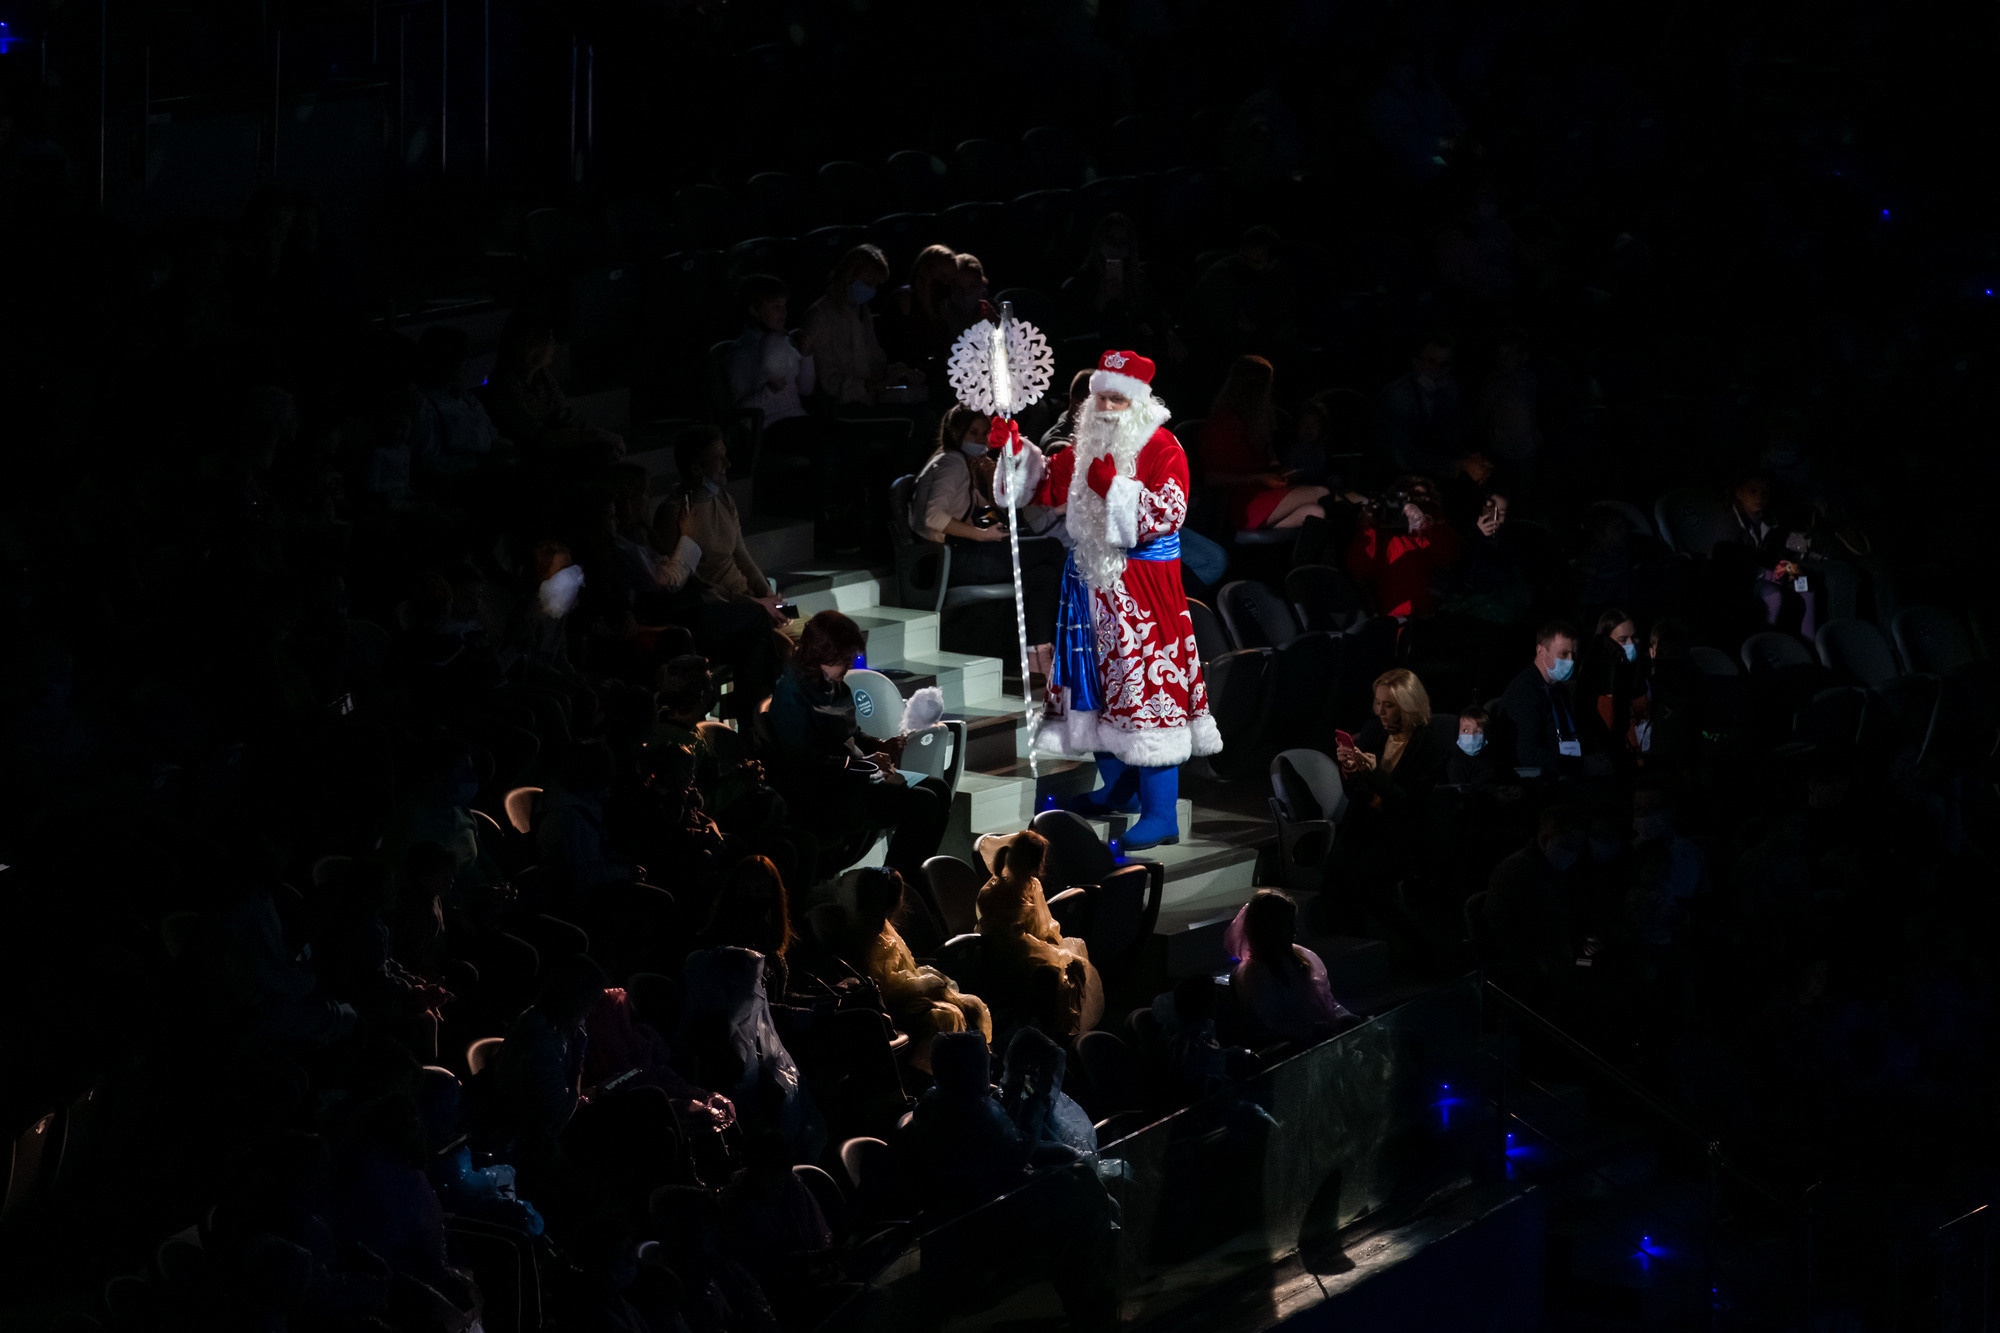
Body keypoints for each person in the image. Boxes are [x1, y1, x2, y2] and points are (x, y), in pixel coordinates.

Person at [1003, 349, 1223, 850]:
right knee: (1097, 689)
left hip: (1144, 590)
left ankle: (1161, 813)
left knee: (1149, 691)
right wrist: (1016, 454)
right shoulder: (1085, 443)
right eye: (1099, 397)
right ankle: (1117, 788)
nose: (1104, 407)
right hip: (1089, 585)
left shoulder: (1164, 446)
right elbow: (1044, 487)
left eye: (1116, 399)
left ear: (1139, 402)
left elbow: (1169, 514)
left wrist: (1115, 489)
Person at [764, 610, 953, 878]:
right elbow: (802, 762)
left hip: (856, 776)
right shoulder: (791, 692)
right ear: (823, 654)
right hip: (826, 792)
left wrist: (880, 745)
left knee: (939, 789)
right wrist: (862, 764)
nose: (849, 666)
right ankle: (891, 883)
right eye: (845, 660)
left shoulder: (835, 685)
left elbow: (851, 733)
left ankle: (913, 882)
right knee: (923, 802)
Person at [907, 405, 1062, 673]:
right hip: (951, 560)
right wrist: (981, 535)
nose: (980, 439)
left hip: (961, 554)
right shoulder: (951, 462)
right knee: (1052, 548)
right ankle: (1071, 638)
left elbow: (987, 512)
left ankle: (1037, 654)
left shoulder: (963, 464)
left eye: (984, 433)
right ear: (955, 433)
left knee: (1045, 575)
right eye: (973, 432)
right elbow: (933, 517)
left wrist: (990, 478)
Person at [840, 865, 991, 1069]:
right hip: (889, 1003)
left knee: (970, 1007)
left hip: (904, 995)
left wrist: (924, 980)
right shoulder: (869, 936)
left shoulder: (884, 927)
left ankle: (971, 1071)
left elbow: (903, 966)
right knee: (946, 1016)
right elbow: (886, 984)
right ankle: (931, 1074)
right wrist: (923, 983)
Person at [1197, 355, 1329, 531]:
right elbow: (1212, 478)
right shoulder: (1224, 422)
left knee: (1315, 513)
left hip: (1261, 492)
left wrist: (1278, 470)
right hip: (1240, 502)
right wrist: (1260, 478)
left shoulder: (1257, 421)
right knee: (1322, 493)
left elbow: (1267, 456)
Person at [486, 311, 624, 461]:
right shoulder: (505, 386)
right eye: (550, 341)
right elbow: (537, 438)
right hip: (527, 457)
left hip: (552, 447)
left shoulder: (542, 377)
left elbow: (565, 416)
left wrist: (599, 436)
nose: (554, 346)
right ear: (531, 345)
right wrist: (594, 435)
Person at [1224, 890, 1348, 1045]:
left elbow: (1325, 998)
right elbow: (1272, 1023)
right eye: (1287, 925)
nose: (1295, 930)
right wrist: (1312, 1031)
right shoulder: (1256, 974)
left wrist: (1343, 1017)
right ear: (1270, 929)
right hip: (1295, 1047)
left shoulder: (1299, 956)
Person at [802, 243, 918, 408]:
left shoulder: (861, 312)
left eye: (875, 285)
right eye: (868, 282)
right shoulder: (820, 316)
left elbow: (875, 358)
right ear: (849, 276)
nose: (872, 290)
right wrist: (870, 385)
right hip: (839, 409)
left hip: (869, 401)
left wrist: (895, 373)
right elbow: (829, 383)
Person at [1346, 476, 1462, 618]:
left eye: (1421, 497)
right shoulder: (1381, 533)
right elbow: (1359, 569)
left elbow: (1450, 557)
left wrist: (1424, 524)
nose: (1412, 503)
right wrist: (1367, 524)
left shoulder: (1438, 529)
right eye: (1406, 498)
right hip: (1391, 616)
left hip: (1430, 614)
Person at [1499, 621, 1585, 771]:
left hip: (1564, 771)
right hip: (1538, 778)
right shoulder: (1524, 691)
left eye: (1574, 654)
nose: (1570, 661)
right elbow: (1528, 754)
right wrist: (1580, 765)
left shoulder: (1560, 690)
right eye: (1563, 654)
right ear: (1541, 651)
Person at [1377, 334, 1464, 478]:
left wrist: (1468, 458)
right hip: (1396, 476)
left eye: (1445, 364)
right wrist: (1456, 465)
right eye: (1431, 362)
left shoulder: (1451, 391)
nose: (1438, 370)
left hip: (1432, 472)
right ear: (1416, 363)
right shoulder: (1398, 395)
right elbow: (1402, 456)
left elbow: (1453, 435)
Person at [1579, 609, 1645, 757]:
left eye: (1633, 638)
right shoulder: (1597, 674)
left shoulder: (1638, 670)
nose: (1630, 644)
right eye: (1623, 640)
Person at [1447, 703, 1499, 789]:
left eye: (1478, 731)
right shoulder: (1451, 764)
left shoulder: (1495, 763)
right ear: (1457, 732)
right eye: (1465, 730)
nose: (1471, 736)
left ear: (1486, 735)